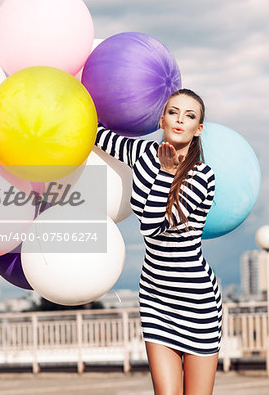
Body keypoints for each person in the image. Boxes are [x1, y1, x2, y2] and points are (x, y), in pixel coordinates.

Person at [94, 88, 222, 394]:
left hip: (196, 301)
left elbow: (153, 227)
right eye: (173, 112)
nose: (180, 120)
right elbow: (94, 133)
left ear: (198, 129)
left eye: (190, 116)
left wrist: (166, 173)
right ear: (161, 118)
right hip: (155, 297)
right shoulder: (140, 155)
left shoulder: (203, 177)